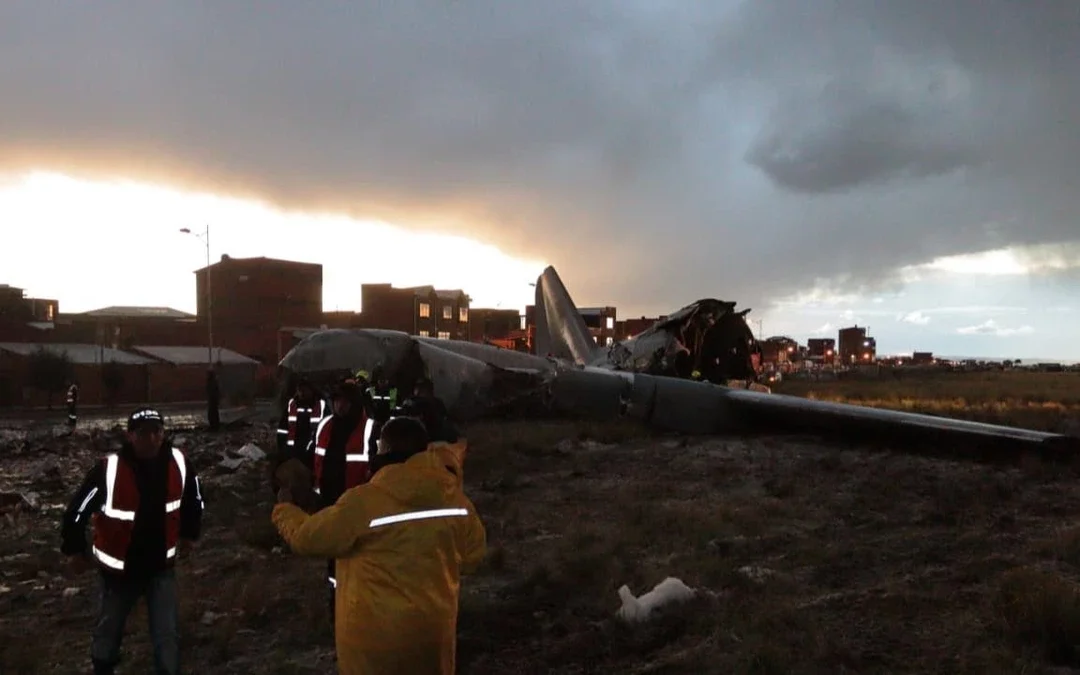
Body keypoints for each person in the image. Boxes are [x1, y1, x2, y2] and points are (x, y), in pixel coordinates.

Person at [272, 416, 486, 674]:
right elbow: (474, 557)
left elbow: (309, 538)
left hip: (374, 644)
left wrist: (285, 510)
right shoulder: (457, 501)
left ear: (385, 450)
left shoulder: (363, 503)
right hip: (433, 635)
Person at [60, 407, 204, 675]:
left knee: (166, 634)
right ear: (130, 436)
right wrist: (74, 549)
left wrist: (189, 535)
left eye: (156, 432)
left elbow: (194, 499)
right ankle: (103, 668)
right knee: (109, 630)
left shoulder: (178, 463)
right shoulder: (109, 470)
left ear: (162, 433)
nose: (151, 439)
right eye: (144, 433)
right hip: (119, 573)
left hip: (161, 567)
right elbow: (77, 510)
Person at [307, 378, 375, 625]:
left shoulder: (369, 429)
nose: (339, 407)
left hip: (357, 506)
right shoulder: (325, 426)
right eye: (336, 402)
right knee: (334, 557)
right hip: (329, 501)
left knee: (357, 555)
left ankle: (359, 604)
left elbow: (378, 466)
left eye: (344, 402)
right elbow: (312, 458)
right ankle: (336, 603)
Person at [275, 377, 329, 470]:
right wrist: (283, 448)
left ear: (311, 390)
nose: (302, 393)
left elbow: (327, 428)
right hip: (292, 451)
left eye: (304, 390)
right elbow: (282, 429)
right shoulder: (292, 405)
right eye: (299, 390)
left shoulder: (321, 405)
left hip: (313, 452)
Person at [396, 378, 458, 444]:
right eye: (418, 388)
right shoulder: (409, 403)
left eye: (423, 388)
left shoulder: (436, 402)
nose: (420, 390)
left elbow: (444, 420)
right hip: (421, 440)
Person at [365, 366, 398, 454]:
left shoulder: (393, 391)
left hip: (388, 424)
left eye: (385, 379)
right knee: (372, 445)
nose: (383, 381)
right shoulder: (371, 391)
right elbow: (368, 407)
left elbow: (394, 408)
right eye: (380, 379)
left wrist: (391, 423)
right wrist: (373, 421)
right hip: (374, 424)